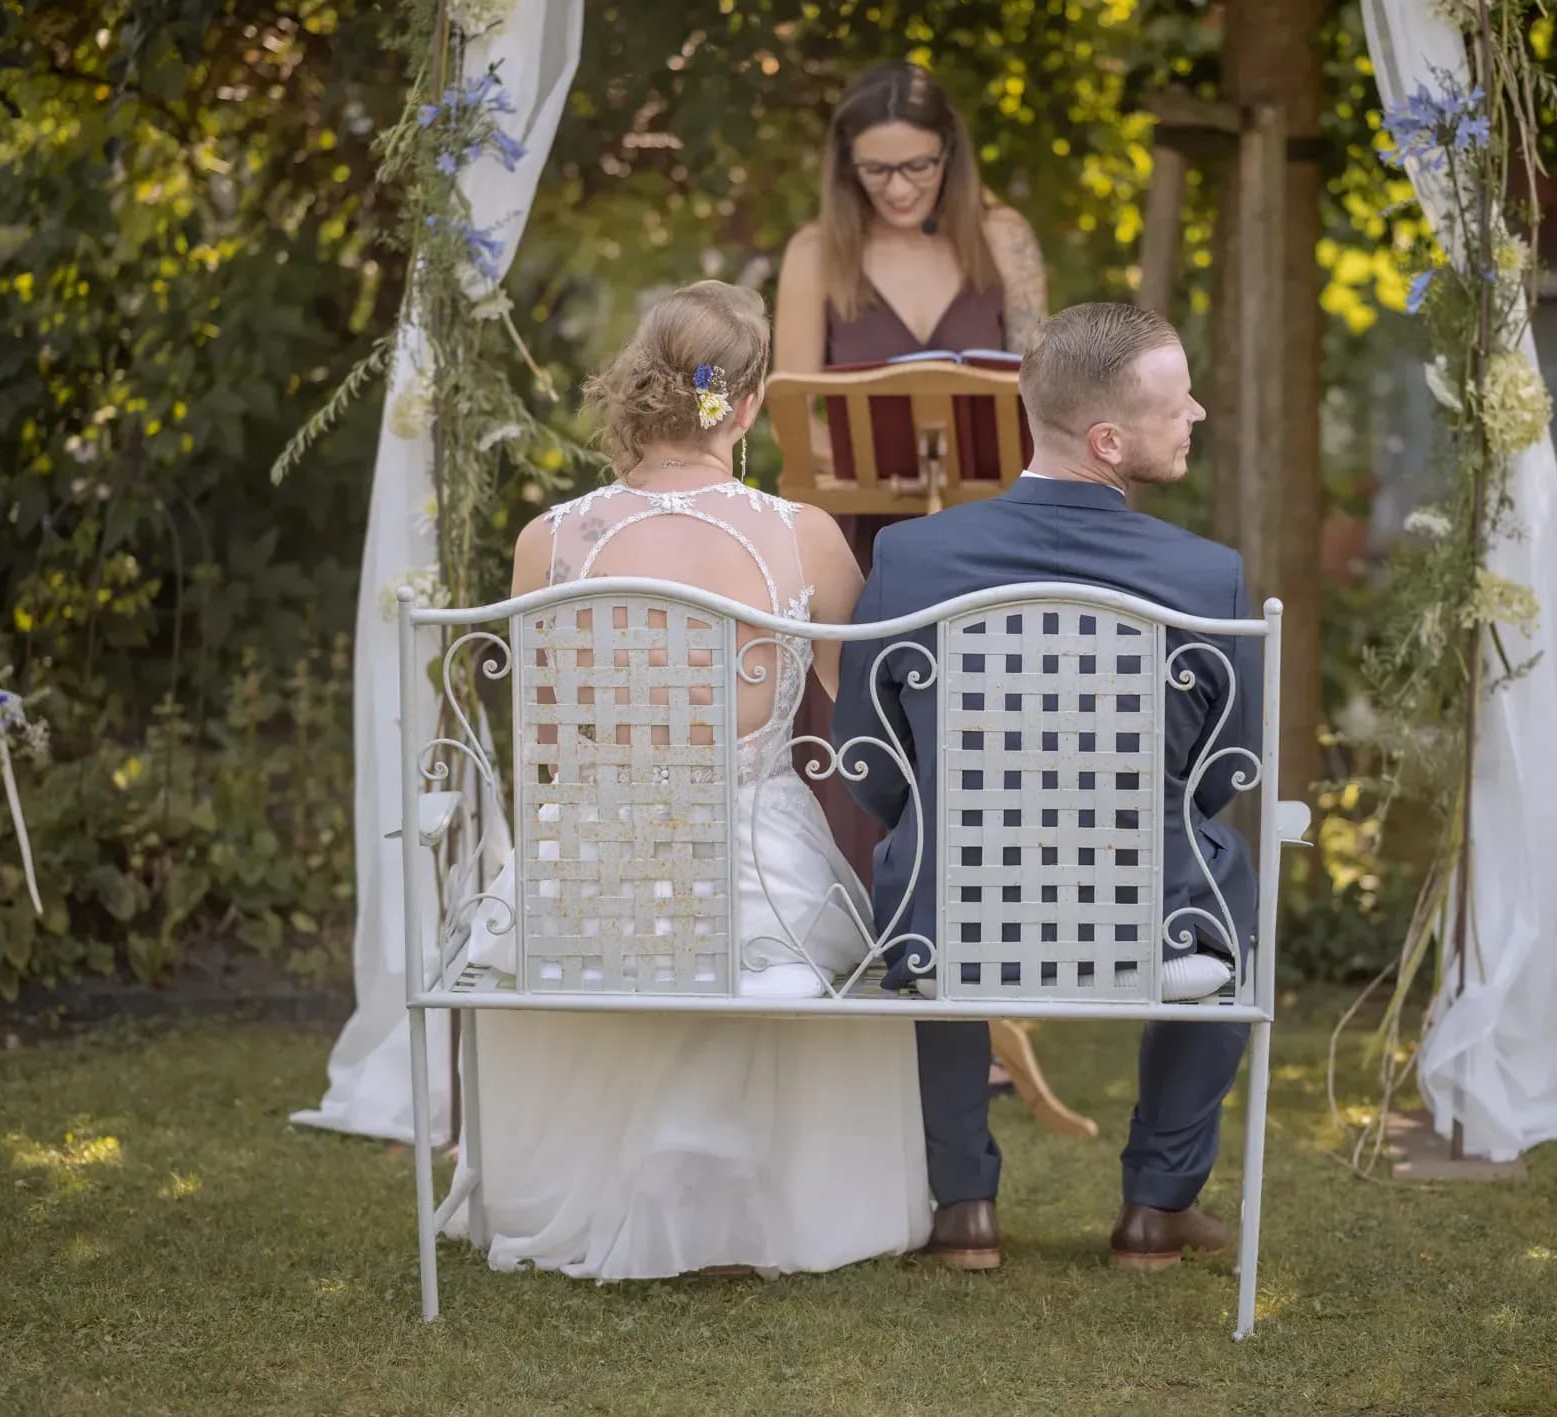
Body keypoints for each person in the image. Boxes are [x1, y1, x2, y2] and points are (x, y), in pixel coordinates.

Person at [441, 281, 929, 1280]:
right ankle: (734, 1198)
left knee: (613, 900)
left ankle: (616, 1179)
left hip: (586, 865)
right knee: (776, 931)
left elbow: (541, 737)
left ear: (635, 390)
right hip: (753, 869)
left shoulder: (551, 539)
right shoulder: (801, 535)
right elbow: (867, 726)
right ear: (745, 407)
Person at [832, 302, 1262, 1271]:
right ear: (1107, 441)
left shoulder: (912, 557)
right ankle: (1155, 1206)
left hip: (952, 910)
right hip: (1148, 908)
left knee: (919, 866)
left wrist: (957, 828)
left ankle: (962, 1212)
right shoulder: (1206, 577)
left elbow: (865, 754)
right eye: (1176, 403)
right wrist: (1127, 833)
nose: (1197, 412)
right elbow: (1226, 771)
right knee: (1229, 873)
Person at [777, 60, 1054, 1105]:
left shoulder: (1006, 238)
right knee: (865, 754)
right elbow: (790, 411)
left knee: (981, 760)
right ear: (845, 169)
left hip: (985, 540)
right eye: (874, 171)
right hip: (860, 548)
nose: (897, 191)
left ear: (952, 155)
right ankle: (865, 991)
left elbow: (1048, 387)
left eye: (918, 168)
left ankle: (977, 1005)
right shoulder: (817, 252)